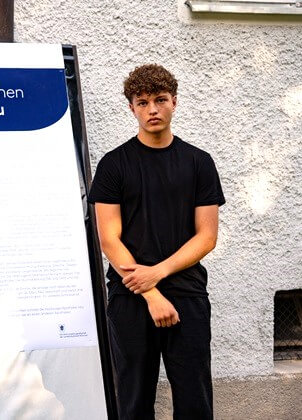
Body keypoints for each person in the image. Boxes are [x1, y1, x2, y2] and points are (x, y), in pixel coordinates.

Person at [89, 64, 225, 419]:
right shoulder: (114, 165)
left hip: (187, 294)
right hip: (131, 296)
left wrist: (158, 274)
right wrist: (149, 291)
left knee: (195, 400)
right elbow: (109, 238)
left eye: (160, 100)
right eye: (143, 101)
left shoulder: (199, 163)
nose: (152, 109)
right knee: (133, 400)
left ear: (174, 102)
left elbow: (207, 236)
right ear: (131, 107)